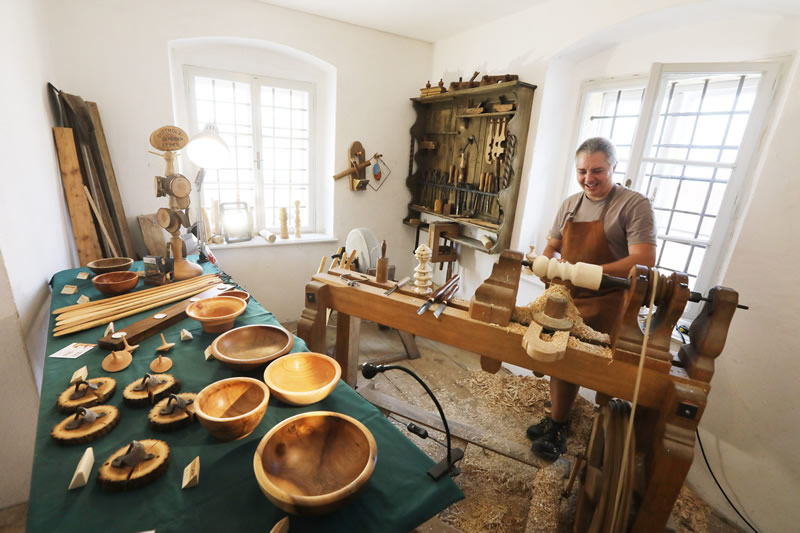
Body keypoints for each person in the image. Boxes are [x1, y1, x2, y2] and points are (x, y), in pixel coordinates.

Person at [527, 137, 657, 460]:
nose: (589, 178)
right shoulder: (570, 205)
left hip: (609, 299)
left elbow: (644, 260)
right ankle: (557, 417)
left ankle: (559, 425)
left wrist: (588, 271)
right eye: (582, 171)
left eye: (597, 170)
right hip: (568, 296)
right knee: (558, 358)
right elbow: (552, 247)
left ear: (614, 167)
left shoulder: (633, 205)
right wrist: (547, 269)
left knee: (577, 362)